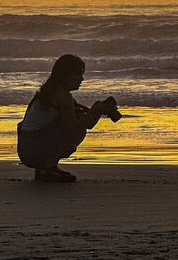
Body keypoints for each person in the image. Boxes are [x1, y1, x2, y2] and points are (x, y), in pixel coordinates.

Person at [17, 54, 120, 182]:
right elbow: (72, 129)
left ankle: (47, 168)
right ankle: (48, 167)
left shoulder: (50, 91)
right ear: (65, 76)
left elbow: (88, 123)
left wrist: (97, 111)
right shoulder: (62, 95)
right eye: (78, 75)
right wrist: (96, 109)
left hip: (26, 148)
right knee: (77, 131)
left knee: (79, 122)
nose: (82, 79)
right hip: (33, 149)